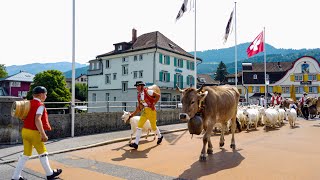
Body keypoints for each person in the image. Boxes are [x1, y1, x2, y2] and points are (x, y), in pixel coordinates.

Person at [12, 86, 62, 180]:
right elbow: (37, 119)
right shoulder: (40, 105)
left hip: (25, 131)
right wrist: (43, 134)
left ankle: (15, 177)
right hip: (34, 133)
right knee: (43, 153)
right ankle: (50, 174)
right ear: (41, 94)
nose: (46, 96)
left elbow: (22, 116)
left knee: (25, 155)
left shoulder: (27, 103)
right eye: (45, 94)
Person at [128, 81, 163, 149]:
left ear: (142, 86)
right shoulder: (139, 96)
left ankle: (160, 136)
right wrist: (133, 114)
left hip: (152, 111)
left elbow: (158, 96)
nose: (137, 88)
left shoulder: (148, 91)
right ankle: (136, 143)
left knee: (153, 127)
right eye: (136, 86)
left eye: (138, 86)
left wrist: (153, 103)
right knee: (139, 126)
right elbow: (139, 107)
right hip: (145, 112)